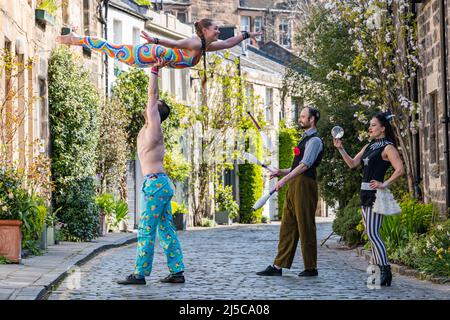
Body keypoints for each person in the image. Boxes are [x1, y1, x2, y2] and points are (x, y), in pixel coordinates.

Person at [117, 59, 185, 285]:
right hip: (158, 184)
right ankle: (177, 272)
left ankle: (140, 274)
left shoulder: (155, 128)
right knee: (166, 230)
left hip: (156, 185)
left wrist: (154, 70)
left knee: (146, 230)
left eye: (154, 107)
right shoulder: (147, 128)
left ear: (157, 112)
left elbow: (152, 96)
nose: (149, 107)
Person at [333, 112, 404, 287]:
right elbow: (352, 164)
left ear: (382, 128)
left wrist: (384, 184)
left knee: (373, 234)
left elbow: (400, 169)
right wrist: (340, 148)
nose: (369, 128)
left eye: (373, 125)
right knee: (371, 234)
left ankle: (385, 271)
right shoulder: (369, 146)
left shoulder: (388, 147)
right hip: (364, 194)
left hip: (376, 195)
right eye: (370, 125)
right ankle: (379, 272)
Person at [257, 107, 324, 278]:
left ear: (312, 120)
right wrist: (281, 172)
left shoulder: (315, 141)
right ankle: (278, 265)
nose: (300, 119)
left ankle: (311, 267)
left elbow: (305, 165)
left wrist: (284, 180)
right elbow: (296, 166)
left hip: (304, 184)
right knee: (287, 225)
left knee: (305, 226)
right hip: (295, 183)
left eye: (303, 116)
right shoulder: (304, 138)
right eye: (300, 116)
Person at [56, 19, 261, 69]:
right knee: (110, 48)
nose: (218, 31)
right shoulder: (195, 43)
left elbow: (227, 43)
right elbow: (174, 43)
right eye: (215, 28)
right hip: (148, 54)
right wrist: (155, 40)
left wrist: (245, 34)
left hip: (150, 59)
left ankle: (75, 38)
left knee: (110, 48)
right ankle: (72, 39)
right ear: (205, 30)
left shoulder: (205, 46)